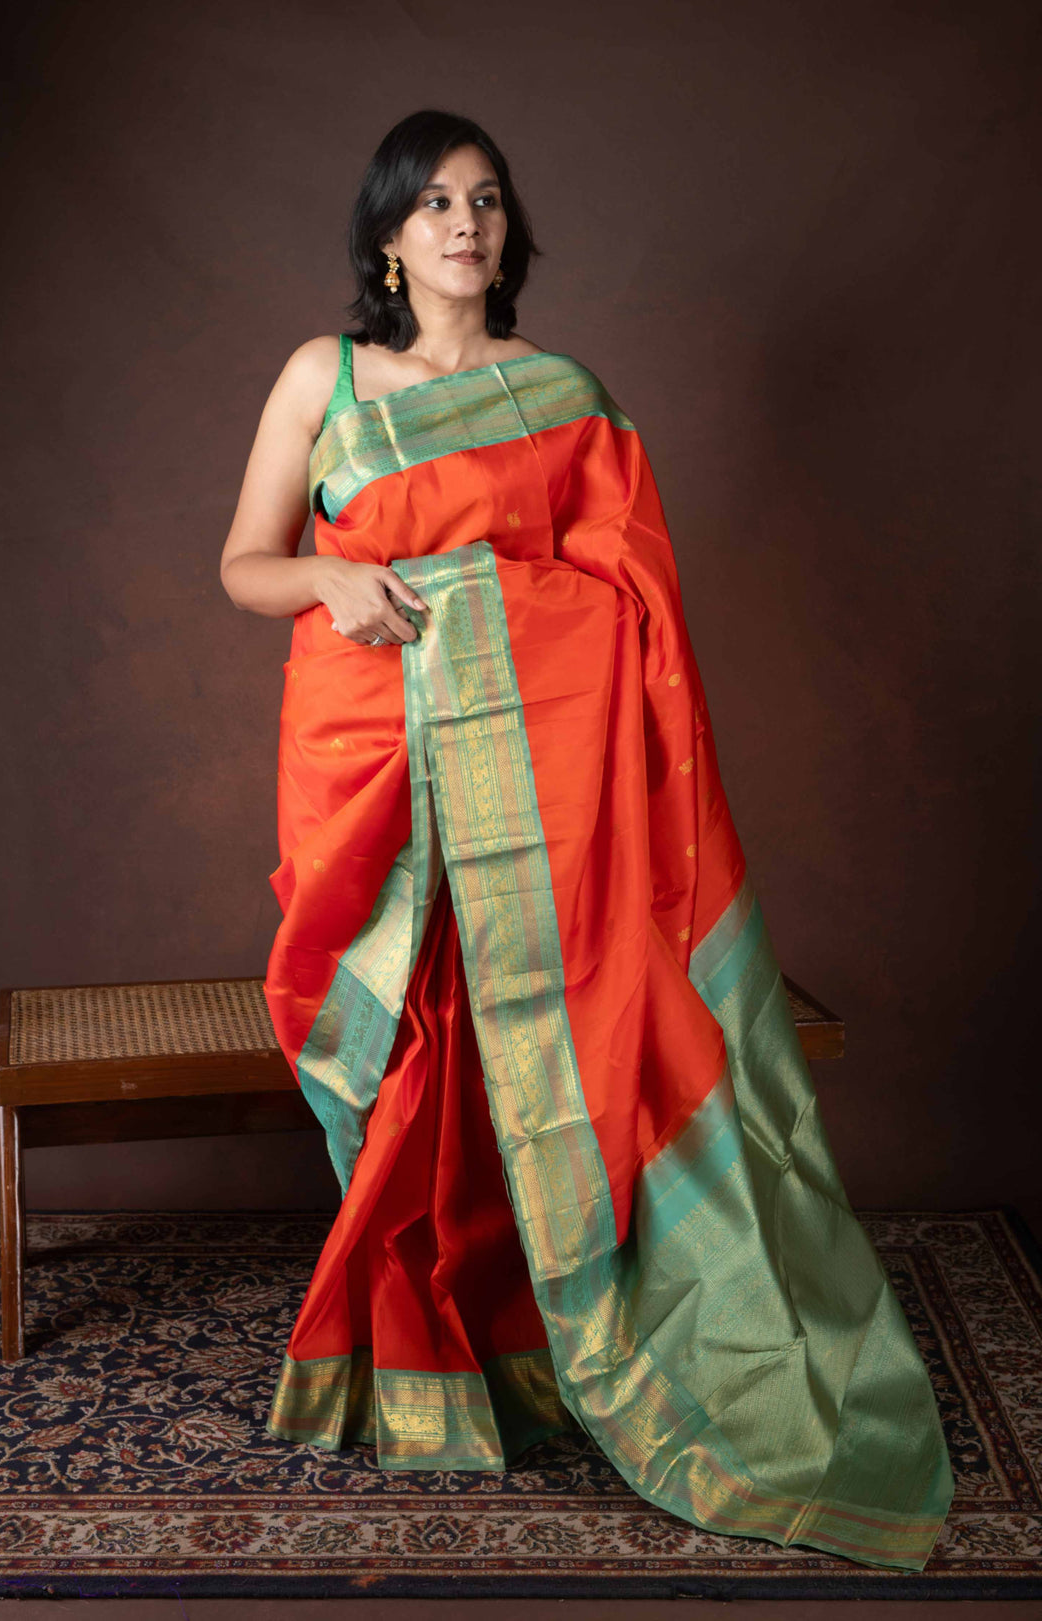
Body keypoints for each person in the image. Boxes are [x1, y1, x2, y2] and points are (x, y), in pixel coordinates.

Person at [219, 108, 953, 1572]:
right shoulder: (326, 377)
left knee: (551, 1048)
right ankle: (437, 1346)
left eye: (486, 201)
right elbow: (245, 565)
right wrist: (331, 582)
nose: (464, 225)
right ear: (387, 235)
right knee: (417, 1054)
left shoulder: (564, 397)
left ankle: (563, 1347)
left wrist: (477, 604)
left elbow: (631, 602)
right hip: (376, 778)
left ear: (510, 231)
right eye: (435, 203)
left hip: (543, 790)